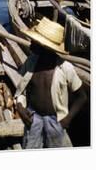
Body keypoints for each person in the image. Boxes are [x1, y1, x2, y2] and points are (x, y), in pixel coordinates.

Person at [14, 17, 88, 149]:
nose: (30, 43)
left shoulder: (65, 68)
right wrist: (20, 106)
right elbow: (23, 90)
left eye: (34, 41)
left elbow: (82, 97)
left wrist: (68, 119)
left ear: (44, 46)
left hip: (56, 120)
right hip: (33, 117)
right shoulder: (31, 62)